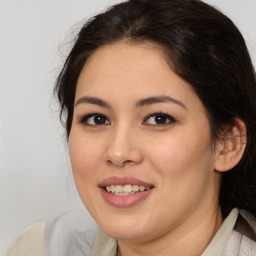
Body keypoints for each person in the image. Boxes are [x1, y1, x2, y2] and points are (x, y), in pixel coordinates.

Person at [6, 0, 256, 255]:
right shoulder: (42, 248)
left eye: (159, 119)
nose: (118, 152)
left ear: (228, 144)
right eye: (96, 119)